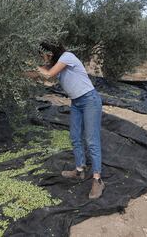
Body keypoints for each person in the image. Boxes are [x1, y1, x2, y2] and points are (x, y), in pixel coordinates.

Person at [37, 41, 105, 199]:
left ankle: (97, 180)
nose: (43, 59)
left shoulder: (67, 57)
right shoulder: (56, 65)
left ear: (51, 52)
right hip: (76, 102)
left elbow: (47, 74)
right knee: (75, 136)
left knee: (91, 140)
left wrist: (35, 67)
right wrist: (15, 70)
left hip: (90, 101)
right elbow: (39, 74)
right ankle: (80, 170)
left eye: (43, 55)